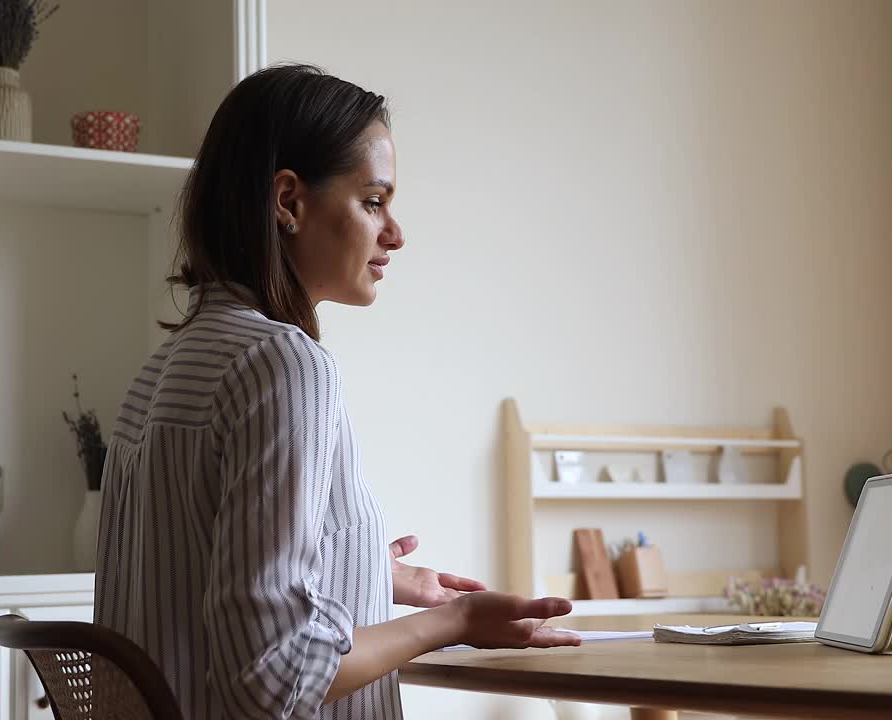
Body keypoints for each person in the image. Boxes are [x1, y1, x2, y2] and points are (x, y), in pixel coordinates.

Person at [93, 64, 580, 720]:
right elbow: (275, 673)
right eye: (374, 201)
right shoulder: (284, 365)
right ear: (289, 201)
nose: (396, 233)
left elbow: (191, 579)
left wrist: (367, 571)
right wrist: (455, 621)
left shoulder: (160, 373)